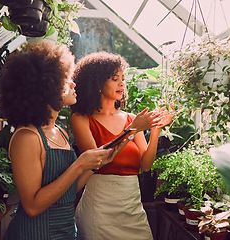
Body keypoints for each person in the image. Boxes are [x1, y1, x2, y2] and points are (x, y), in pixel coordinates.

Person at [0, 41, 113, 240]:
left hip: (67, 232)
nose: (73, 84)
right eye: (67, 78)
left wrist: (95, 164)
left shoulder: (60, 132)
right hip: (35, 234)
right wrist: (79, 165)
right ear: (47, 86)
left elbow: (68, 190)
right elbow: (33, 207)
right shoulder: (27, 137)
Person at [70, 51, 173, 240]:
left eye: (122, 78)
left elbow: (146, 165)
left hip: (132, 206)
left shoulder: (132, 119)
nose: (122, 83)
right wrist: (132, 130)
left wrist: (156, 129)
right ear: (97, 83)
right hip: (99, 209)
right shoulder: (81, 119)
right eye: (114, 78)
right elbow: (97, 160)